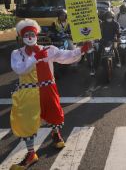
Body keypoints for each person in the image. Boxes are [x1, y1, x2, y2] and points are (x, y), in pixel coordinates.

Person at [10, 19, 91, 169]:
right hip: (28, 92)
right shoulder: (17, 54)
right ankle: (31, 154)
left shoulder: (48, 49)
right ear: (21, 36)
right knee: (27, 122)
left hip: (48, 88)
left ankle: (55, 134)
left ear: (36, 34)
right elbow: (20, 69)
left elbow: (65, 56)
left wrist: (81, 49)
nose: (29, 36)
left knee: (53, 112)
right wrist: (35, 57)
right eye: (26, 34)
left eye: (31, 33)